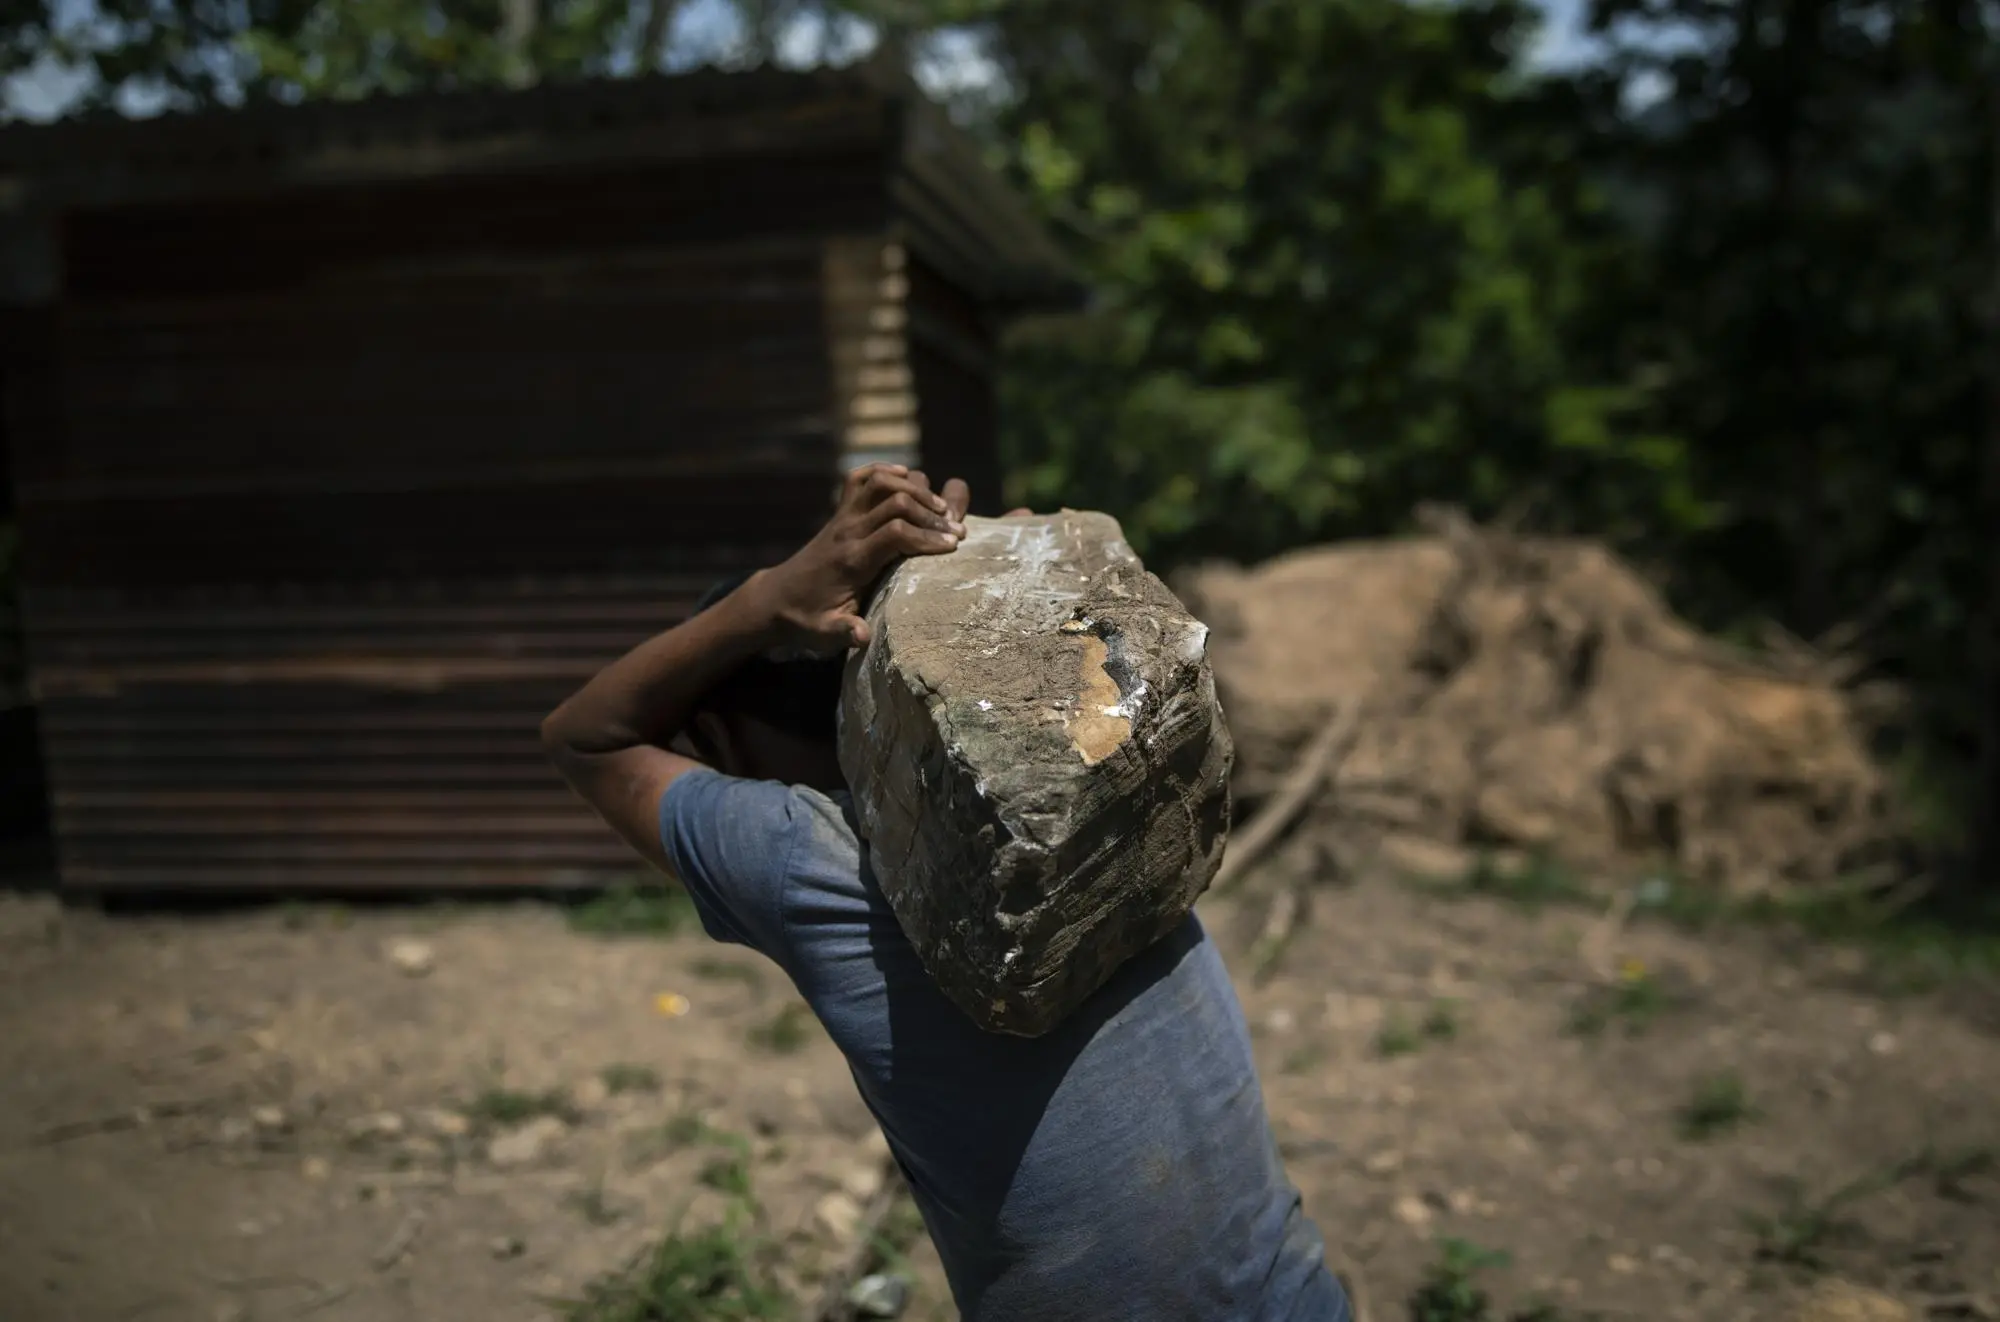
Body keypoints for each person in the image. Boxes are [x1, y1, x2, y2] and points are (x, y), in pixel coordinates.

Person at [542, 463, 1350, 1321]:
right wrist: (967, 557)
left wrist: (767, 599)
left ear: (714, 738)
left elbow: (584, 738)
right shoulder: (1093, 778)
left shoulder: (814, 861)